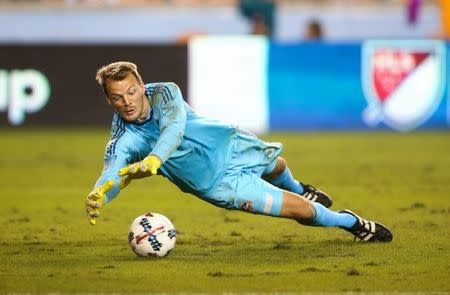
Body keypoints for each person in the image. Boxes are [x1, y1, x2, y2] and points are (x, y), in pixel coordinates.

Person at [85, 61, 393, 243]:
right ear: (108, 101)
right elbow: (112, 171)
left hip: (232, 146)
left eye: (131, 91)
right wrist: (100, 194)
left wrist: (154, 159)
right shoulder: (123, 138)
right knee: (302, 211)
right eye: (117, 97)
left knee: (277, 165)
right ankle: (351, 223)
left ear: (141, 84)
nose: (127, 101)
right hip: (222, 185)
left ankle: (301, 188)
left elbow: (173, 129)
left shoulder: (165, 91)